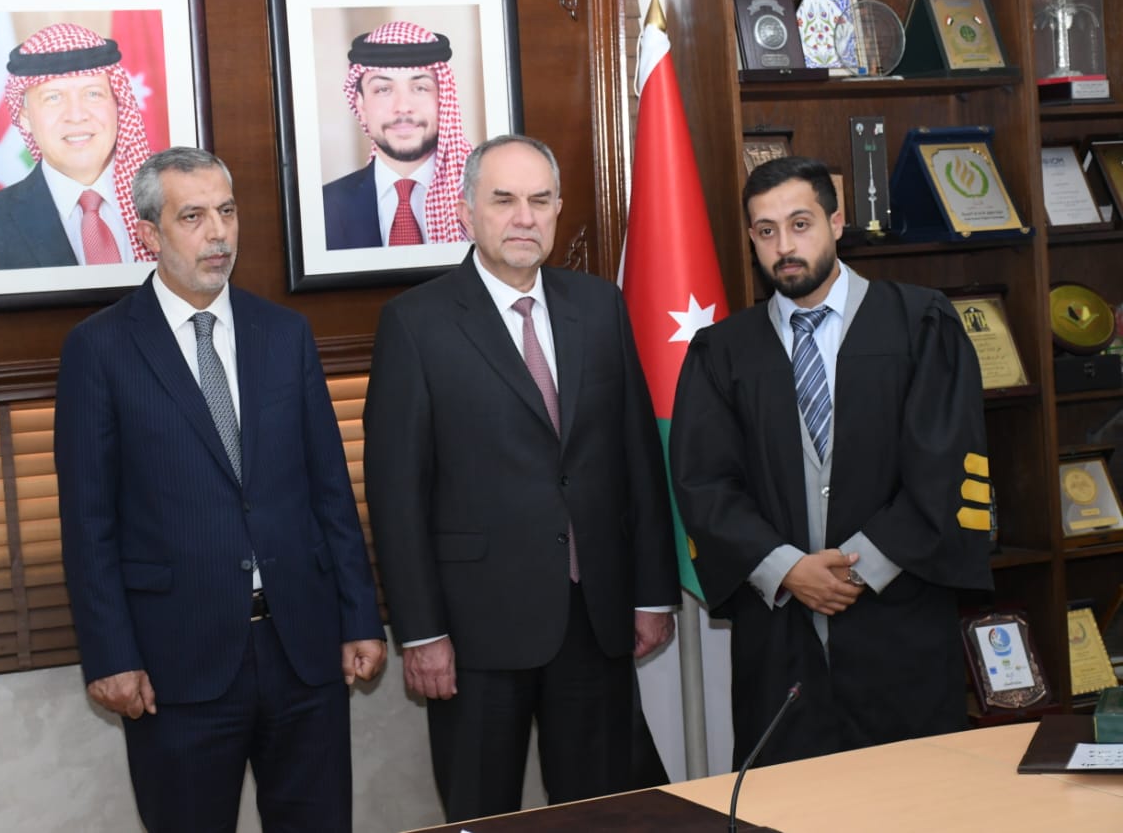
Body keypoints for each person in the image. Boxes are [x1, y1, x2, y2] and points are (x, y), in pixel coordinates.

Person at [54, 146, 386, 832]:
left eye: (227, 213)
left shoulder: (283, 332)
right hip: (177, 662)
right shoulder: (101, 349)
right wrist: (111, 655)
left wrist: (360, 615)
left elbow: (329, 486)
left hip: (301, 648)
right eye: (194, 216)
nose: (218, 234)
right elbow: (88, 523)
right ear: (149, 232)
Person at [363, 134, 678, 822]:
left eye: (540, 200)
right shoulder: (415, 323)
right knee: (484, 813)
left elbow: (637, 460)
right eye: (503, 200)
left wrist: (653, 591)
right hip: (475, 630)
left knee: (600, 814)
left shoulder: (599, 305)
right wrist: (421, 632)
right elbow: (397, 496)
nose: (524, 217)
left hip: (593, 618)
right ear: (466, 211)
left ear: (559, 209)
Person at [669, 156, 995, 768]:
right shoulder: (722, 352)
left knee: (915, 796)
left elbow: (945, 465)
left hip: (899, 621)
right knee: (786, 802)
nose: (784, 247)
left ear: (836, 221)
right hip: (780, 635)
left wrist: (854, 571)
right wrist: (788, 569)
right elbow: (704, 485)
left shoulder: (920, 323)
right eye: (766, 231)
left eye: (800, 224)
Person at [0, 22, 152, 269]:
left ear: (119, 105)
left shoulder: (170, 200)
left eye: (93, 94)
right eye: (53, 98)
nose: (76, 115)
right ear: (25, 118)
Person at [322, 20, 473, 250]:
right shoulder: (324, 208)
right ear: (361, 105)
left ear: (443, 99)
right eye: (383, 89)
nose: (402, 107)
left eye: (420, 88)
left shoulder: (482, 199)